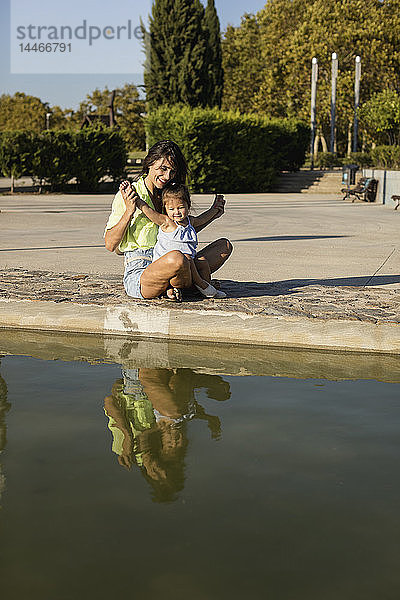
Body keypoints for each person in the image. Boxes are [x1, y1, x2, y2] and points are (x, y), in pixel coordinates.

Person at [104, 140, 232, 302]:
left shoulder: (170, 194)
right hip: (143, 269)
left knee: (223, 246)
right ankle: (194, 285)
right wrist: (129, 211)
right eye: (163, 169)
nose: (167, 177)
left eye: (172, 172)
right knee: (178, 259)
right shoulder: (131, 194)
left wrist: (213, 214)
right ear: (150, 162)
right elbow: (110, 245)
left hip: (178, 260)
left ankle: (179, 286)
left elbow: (180, 233)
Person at [119, 179, 227, 300]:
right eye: (171, 209)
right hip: (169, 268)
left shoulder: (190, 221)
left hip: (188, 266)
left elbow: (203, 218)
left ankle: (203, 288)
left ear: (188, 205)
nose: (176, 212)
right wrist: (134, 197)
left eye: (180, 207)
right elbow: (147, 211)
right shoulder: (167, 223)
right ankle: (202, 285)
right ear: (165, 209)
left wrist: (215, 209)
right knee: (184, 258)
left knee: (202, 261)